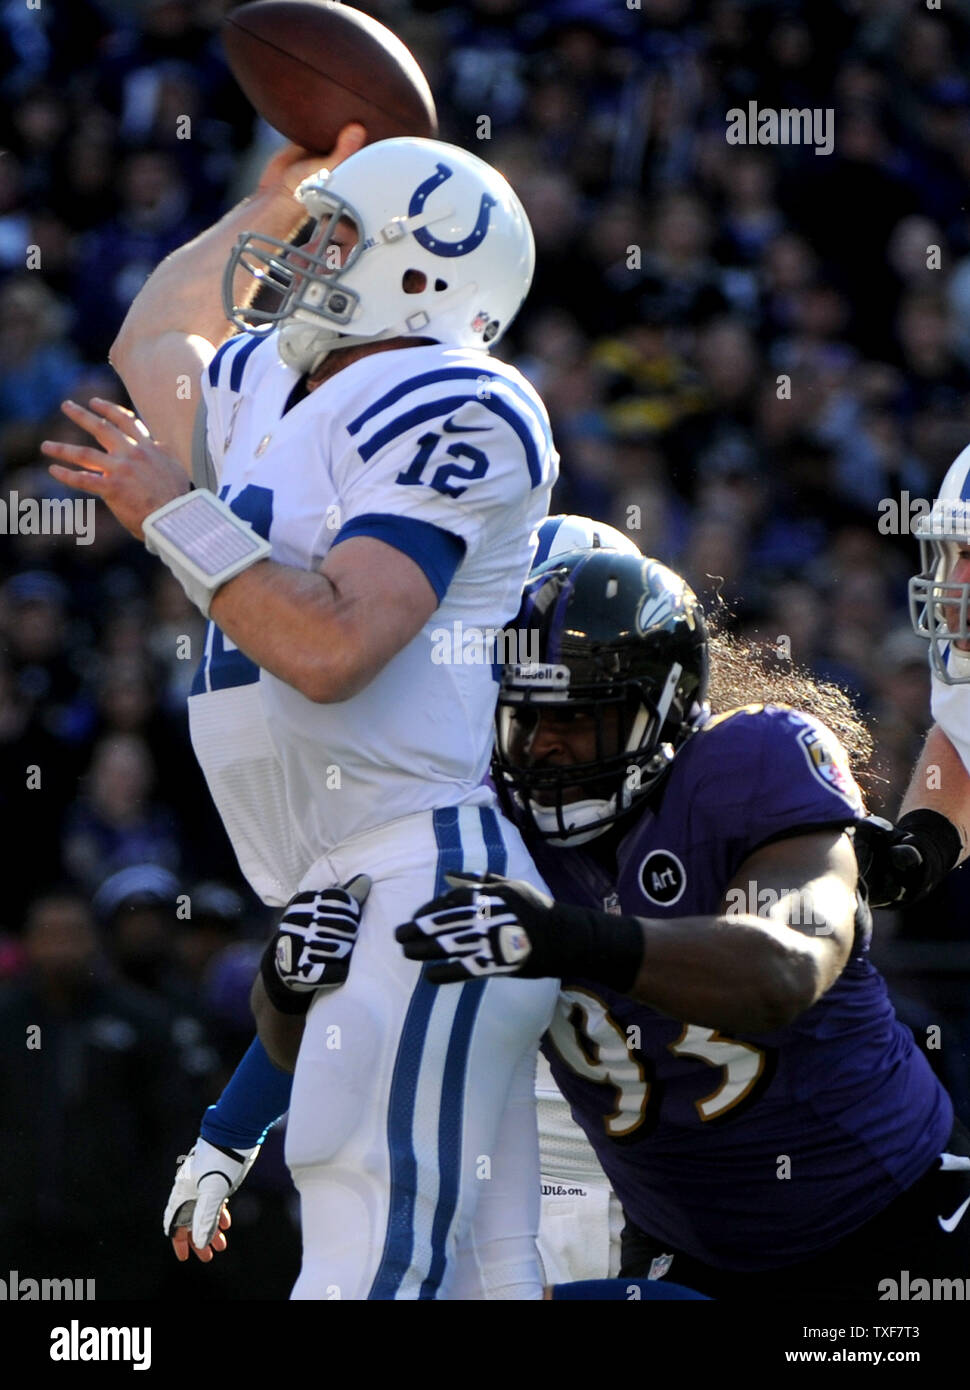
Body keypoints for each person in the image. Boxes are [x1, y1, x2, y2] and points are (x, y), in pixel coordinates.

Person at [41, 126, 561, 1300]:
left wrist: (178, 516)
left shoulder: (454, 397)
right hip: (343, 880)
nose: (301, 256)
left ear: (418, 273)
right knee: (475, 1279)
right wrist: (264, 201)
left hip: (424, 872)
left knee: (368, 1254)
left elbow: (333, 648)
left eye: (333, 235)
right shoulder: (283, 376)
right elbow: (151, 337)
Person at [397, 547, 970, 1299]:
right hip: (683, 1253)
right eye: (524, 715)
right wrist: (291, 983)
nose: (544, 745)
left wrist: (566, 937)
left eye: (580, 718)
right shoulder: (487, 825)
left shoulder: (752, 765)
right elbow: (341, 1032)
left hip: (888, 1224)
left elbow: (785, 967)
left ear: (662, 711)